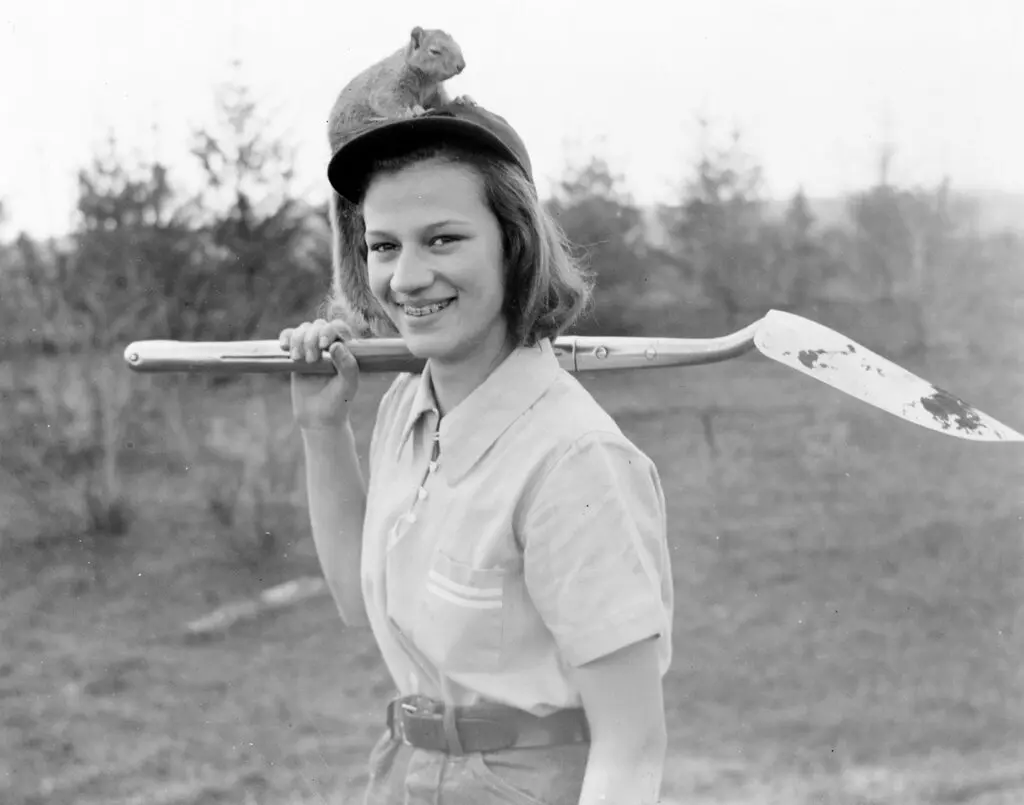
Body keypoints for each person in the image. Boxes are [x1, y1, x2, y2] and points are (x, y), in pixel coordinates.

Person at [279, 101, 674, 804]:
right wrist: (322, 428)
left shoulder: (575, 460)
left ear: (513, 245)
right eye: (384, 246)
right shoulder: (405, 407)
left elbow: (632, 743)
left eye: (442, 240)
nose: (406, 278)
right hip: (404, 773)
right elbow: (357, 600)